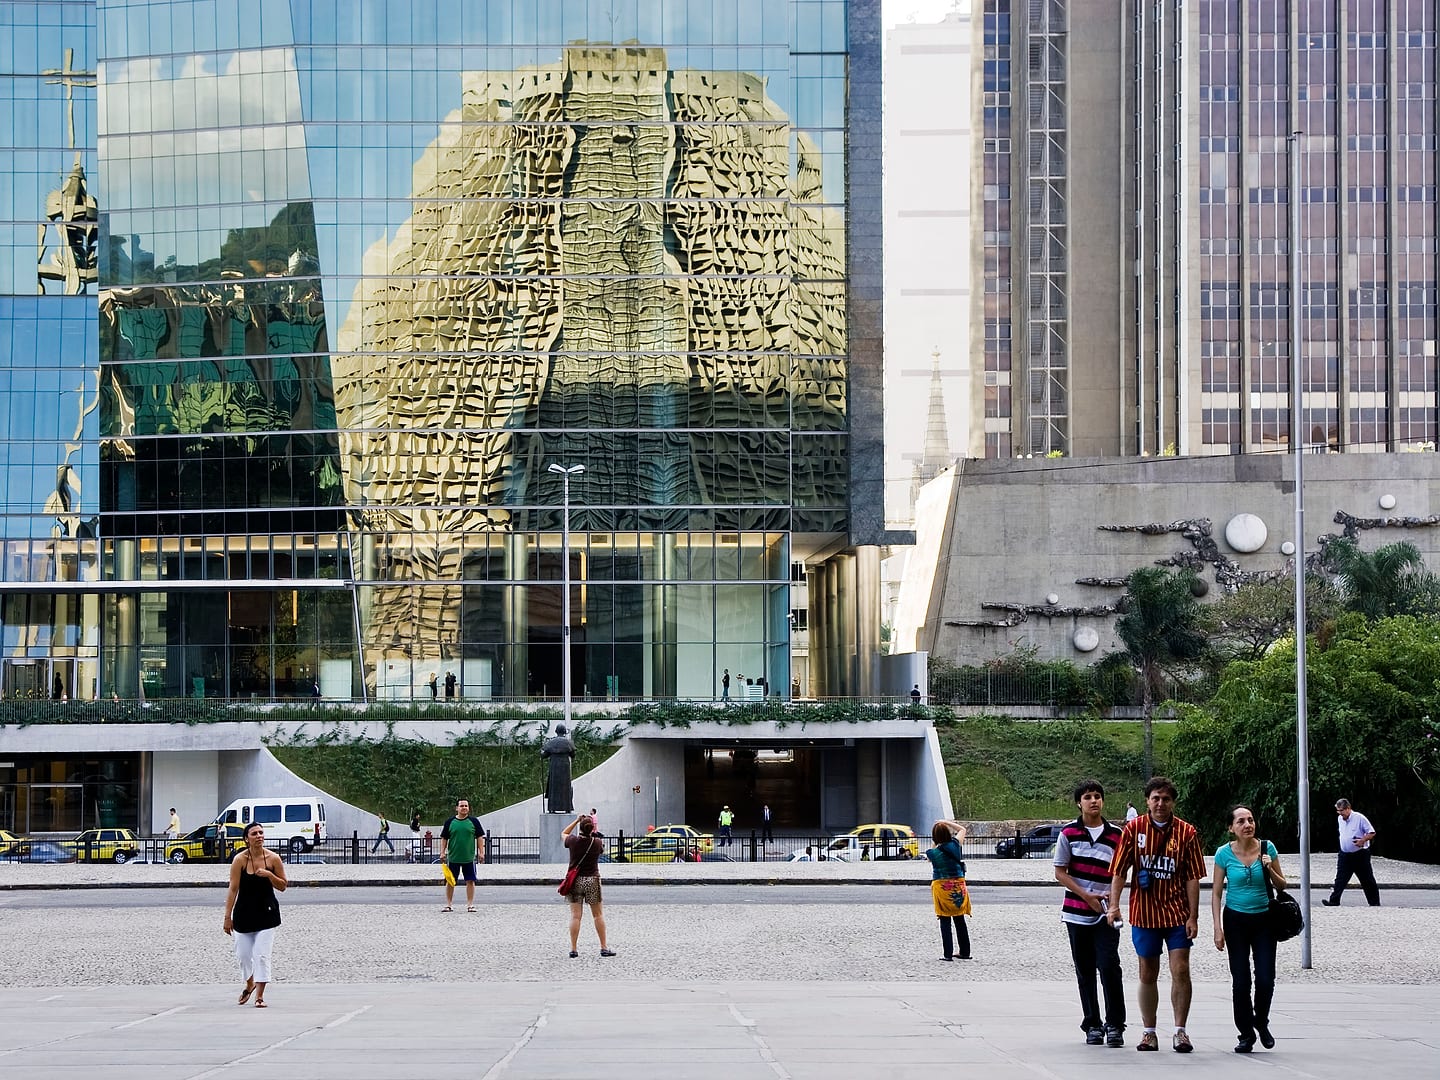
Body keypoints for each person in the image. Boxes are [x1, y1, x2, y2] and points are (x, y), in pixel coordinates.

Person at [1106, 776, 1207, 1054]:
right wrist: (1114, 905)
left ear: (1173, 802)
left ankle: (1180, 1031)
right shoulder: (1133, 829)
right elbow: (1119, 870)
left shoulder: (1187, 833)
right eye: (1155, 798)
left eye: (1166, 799)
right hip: (1144, 913)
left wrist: (1193, 916)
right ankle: (1149, 1031)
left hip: (1176, 912)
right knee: (1147, 972)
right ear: (1147, 801)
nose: (1160, 804)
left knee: (1181, 969)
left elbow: (1193, 877)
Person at [1054, 780, 1126, 1047]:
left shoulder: (1117, 835)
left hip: (1106, 913)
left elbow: (1121, 871)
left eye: (1097, 796)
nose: (1093, 801)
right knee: (1084, 970)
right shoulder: (1068, 833)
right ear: (1079, 803)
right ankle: (1092, 1024)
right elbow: (1060, 871)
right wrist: (1085, 895)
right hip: (1076, 912)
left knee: (1109, 966)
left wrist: (1113, 901)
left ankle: (1116, 1024)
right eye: (1088, 797)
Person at [1211, 805, 1285, 1053]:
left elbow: (1282, 884)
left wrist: (1269, 867)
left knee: (1265, 978)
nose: (1247, 825)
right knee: (1241, 980)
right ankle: (1245, 1033)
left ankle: (1261, 1021)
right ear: (1231, 828)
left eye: (1250, 820)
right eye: (1241, 821)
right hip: (1236, 920)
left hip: (1264, 919)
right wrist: (1217, 928)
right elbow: (1217, 892)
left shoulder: (1267, 848)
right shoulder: (1223, 853)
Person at [223, 822, 287, 1008]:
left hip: (267, 915)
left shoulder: (273, 858)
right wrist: (228, 916)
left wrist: (269, 875)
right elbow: (233, 889)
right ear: (246, 838)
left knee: (261, 955)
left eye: (261, 833)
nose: (259, 836)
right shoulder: (240, 860)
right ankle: (250, 983)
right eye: (254, 833)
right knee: (243, 956)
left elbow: (283, 886)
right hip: (243, 915)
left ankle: (260, 996)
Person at [562, 813, 615, 958]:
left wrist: (576, 820)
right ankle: (603, 947)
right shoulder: (597, 843)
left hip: (575, 881)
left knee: (575, 916)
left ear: (580, 828)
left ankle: (573, 949)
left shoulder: (572, 841)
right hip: (592, 879)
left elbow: (564, 833)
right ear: (591, 829)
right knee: (598, 915)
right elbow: (601, 849)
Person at [925, 819, 971, 961]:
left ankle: (947, 953)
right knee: (959, 918)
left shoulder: (932, 853)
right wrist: (946, 822)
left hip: (942, 886)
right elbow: (962, 829)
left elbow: (929, 857)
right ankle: (964, 952)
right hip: (958, 885)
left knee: (944, 919)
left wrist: (935, 841)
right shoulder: (956, 845)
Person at [1323, 798, 1380, 907]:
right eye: (1338, 811)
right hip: (1345, 854)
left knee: (1367, 879)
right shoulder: (1340, 819)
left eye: (1341, 811)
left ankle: (1374, 902)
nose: (1340, 813)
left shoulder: (1359, 818)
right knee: (1340, 879)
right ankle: (1334, 901)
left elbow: (1372, 832)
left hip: (1360, 854)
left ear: (1348, 808)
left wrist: (1362, 840)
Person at [440, 798, 485, 912]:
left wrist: (481, 852)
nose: (464, 808)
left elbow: (479, 837)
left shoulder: (474, 821)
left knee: (470, 881)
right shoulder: (450, 822)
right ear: (457, 808)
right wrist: (442, 852)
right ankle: (449, 904)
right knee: (450, 881)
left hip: (469, 858)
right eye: (462, 806)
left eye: (466, 806)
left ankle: (470, 905)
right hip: (453, 857)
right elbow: (444, 838)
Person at [541, 725, 576, 813]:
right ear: (564, 732)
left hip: (554, 766)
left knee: (554, 787)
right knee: (565, 787)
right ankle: (567, 808)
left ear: (556, 731)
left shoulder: (551, 742)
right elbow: (573, 755)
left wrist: (541, 752)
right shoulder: (568, 742)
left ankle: (552, 808)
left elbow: (544, 755)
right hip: (565, 767)